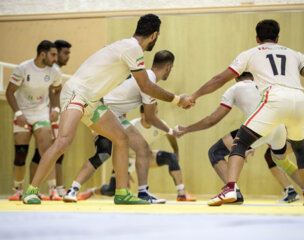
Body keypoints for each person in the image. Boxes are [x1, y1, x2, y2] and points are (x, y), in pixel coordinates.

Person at [22, 14, 193, 205]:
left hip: (93, 100)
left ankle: (122, 192)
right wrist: (178, 99)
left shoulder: (124, 46)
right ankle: (31, 191)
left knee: (121, 138)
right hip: (76, 94)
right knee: (64, 140)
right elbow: (146, 86)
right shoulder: (133, 49)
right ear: (154, 35)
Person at [184, 19, 304, 206]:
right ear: (278, 38)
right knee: (300, 148)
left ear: (257, 38)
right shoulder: (294, 54)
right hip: (298, 100)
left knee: (240, 142)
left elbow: (220, 79)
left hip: (274, 101)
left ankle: (231, 188)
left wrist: (195, 95)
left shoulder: (250, 54)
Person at [63, 50, 187, 204]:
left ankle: (73, 190)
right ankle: (139, 193)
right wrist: (171, 129)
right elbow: (150, 117)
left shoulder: (143, 76)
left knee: (117, 151)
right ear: (168, 67)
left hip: (109, 112)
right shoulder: (149, 82)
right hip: (104, 112)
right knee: (119, 151)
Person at [177, 72, 299, 203]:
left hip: (259, 128)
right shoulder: (264, 85)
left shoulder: (235, 89)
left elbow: (211, 120)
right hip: (280, 127)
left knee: (216, 152)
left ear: (235, 77)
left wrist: (186, 129)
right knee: (281, 161)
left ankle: (233, 191)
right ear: (253, 76)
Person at [78, 105, 197, 202]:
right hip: (126, 158)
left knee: (171, 158)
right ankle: (92, 191)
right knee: (111, 190)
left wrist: (176, 152)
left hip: (145, 157)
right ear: (143, 114)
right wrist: (123, 171)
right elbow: (118, 144)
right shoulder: (133, 125)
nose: (155, 116)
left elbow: (170, 136)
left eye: (156, 113)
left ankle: (182, 193)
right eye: (152, 113)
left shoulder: (160, 125)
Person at [6, 40, 62, 201]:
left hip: (41, 114)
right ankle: (17, 190)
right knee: (20, 153)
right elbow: (10, 92)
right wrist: (18, 113)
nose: (55, 59)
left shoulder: (55, 71)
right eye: (53, 55)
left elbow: (57, 90)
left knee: (47, 151)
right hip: (22, 113)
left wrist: (56, 109)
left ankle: (53, 190)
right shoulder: (23, 68)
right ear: (42, 54)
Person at [31, 39, 72, 198]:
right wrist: (53, 110)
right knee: (54, 151)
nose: (67, 56)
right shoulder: (51, 69)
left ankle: (52, 187)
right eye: (65, 53)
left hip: (52, 112)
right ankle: (55, 188)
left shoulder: (54, 70)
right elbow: (48, 92)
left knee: (43, 152)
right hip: (46, 114)